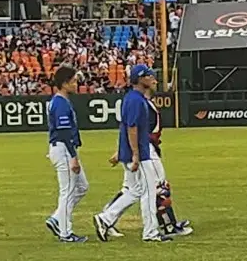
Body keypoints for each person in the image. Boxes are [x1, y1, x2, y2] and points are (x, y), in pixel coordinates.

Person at [93, 64, 170, 243]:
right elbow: (132, 128)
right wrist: (135, 155)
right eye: (149, 76)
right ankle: (150, 233)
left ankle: (105, 218)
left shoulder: (133, 98)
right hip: (140, 154)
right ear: (141, 79)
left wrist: (122, 153)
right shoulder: (136, 100)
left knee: (135, 191)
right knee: (149, 192)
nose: (152, 78)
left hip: (132, 152)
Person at [45, 65, 89, 243]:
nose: (76, 84)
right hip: (63, 149)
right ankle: (65, 232)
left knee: (82, 187)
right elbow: (63, 132)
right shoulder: (60, 103)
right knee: (67, 191)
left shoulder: (60, 101)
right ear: (64, 83)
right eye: (73, 81)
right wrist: (73, 157)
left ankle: (57, 218)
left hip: (62, 148)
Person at [147, 95, 192, 236]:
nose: (154, 81)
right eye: (150, 77)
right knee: (160, 188)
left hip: (149, 149)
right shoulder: (141, 104)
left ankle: (170, 223)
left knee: (142, 189)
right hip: (147, 150)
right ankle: (168, 227)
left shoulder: (145, 103)